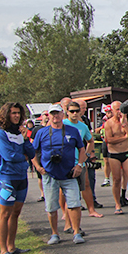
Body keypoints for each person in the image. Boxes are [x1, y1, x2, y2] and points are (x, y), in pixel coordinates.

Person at [32, 104, 87, 245]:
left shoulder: (72, 131)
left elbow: (82, 149)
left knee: (74, 204)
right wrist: (38, 167)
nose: (55, 116)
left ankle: (76, 232)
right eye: (52, 114)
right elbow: (33, 152)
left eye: (58, 113)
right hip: (49, 175)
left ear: (63, 115)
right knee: (51, 207)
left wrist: (79, 165)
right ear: (48, 116)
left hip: (69, 174)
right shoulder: (42, 132)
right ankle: (54, 233)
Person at [0, 102, 35, 254]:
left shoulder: (20, 133)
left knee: (16, 213)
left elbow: (30, 153)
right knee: (5, 214)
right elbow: (8, 155)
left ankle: (11, 246)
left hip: (21, 177)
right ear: (6, 115)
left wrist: (25, 140)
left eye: (18, 113)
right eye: (13, 113)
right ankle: (3, 251)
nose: (16, 116)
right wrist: (22, 157)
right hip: (7, 178)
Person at [64, 101, 103, 220]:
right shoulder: (63, 124)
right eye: (72, 111)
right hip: (65, 161)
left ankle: (91, 209)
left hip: (79, 160)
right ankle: (65, 214)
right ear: (67, 112)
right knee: (64, 188)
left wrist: (86, 154)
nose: (75, 113)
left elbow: (90, 141)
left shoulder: (83, 126)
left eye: (77, 111)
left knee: (86, 184)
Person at [104, 101, 128, 214]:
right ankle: (117, 204)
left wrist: (124, 124)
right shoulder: (109, 124)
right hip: (114, 154)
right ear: (113, 110)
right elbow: (109, 140)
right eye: (117, 109)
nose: (119, 112)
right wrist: (124, 138)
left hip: (125, 153)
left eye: (121, 109)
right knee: (116, 180)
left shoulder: (126, 121)